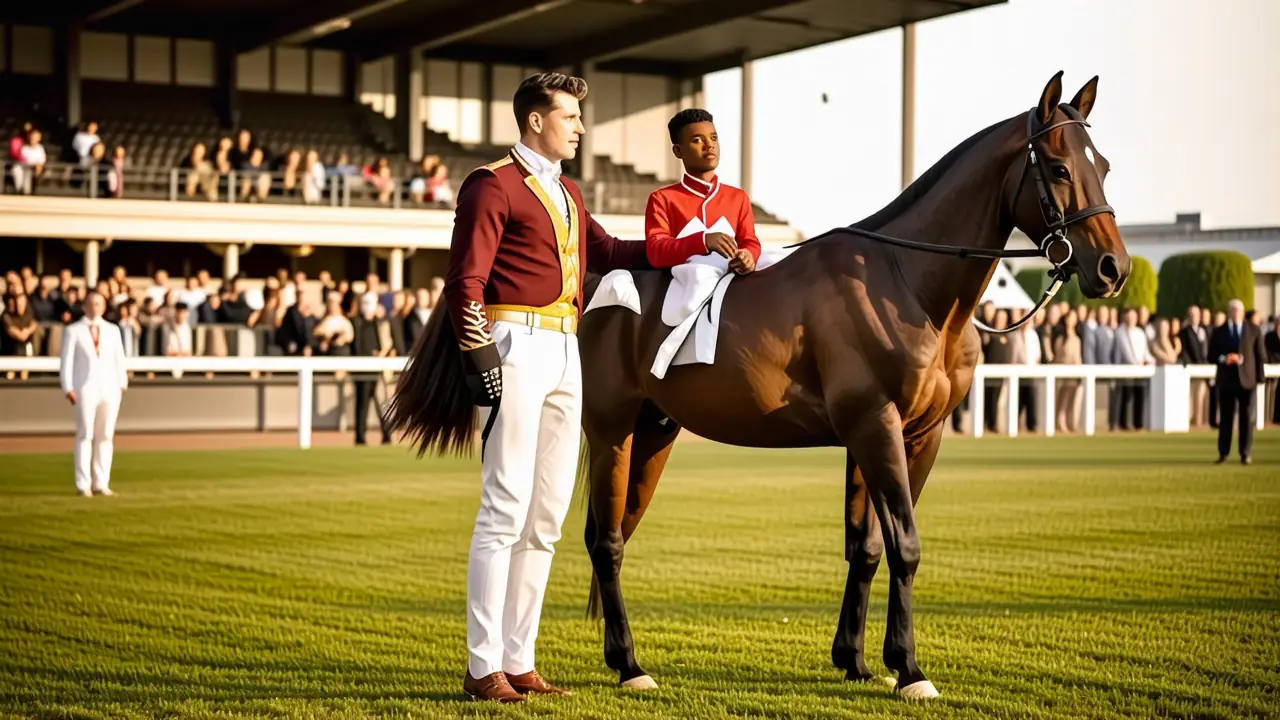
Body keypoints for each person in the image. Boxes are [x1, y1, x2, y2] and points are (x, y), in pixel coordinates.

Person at [445, 72, 651, 703]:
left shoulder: (567, 189)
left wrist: (698, 247)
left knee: (547, 517)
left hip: (567, 347)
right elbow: (464, 281)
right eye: (571, 116)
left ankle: (520, 658)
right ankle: (483, 668)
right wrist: (479, 353)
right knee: (504, 508)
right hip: (513, 343)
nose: (581, 126)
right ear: (536, 120)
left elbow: (610, 251)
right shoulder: (491, 184)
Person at [643, 108, 761, 273]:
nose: (709, 145)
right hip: (685, 282)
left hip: (732, 279)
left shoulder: (738, 197)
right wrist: (703, 241)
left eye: (714, 138)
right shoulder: (662, 198)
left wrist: (748, 256)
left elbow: (750, 242)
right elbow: (656, 252)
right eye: (697, 140)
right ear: (678, 151)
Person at [59, 291, 128, 497]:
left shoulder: (112, 330)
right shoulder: (73, 330)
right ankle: (83, 484)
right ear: (84, 306)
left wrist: (121, 383)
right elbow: (67, 361)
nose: (95, 307)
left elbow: (119, 358)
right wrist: (68, 387)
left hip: (109, 388)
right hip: (85, 387)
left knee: (106, 434)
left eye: (99, 303)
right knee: (85, 434)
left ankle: (101, 482)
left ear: (104, 306)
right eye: (91, 303)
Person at [1208, 299, 1266, 464]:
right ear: (1228, 312)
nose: (1235, 313)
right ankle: (1223, 453)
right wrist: (1224, 358)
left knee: (1246, 418)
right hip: (1226, 380)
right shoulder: (1220, 331)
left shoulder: (1253, 330)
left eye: (1237, 311)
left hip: (1247, 380)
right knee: (1226, 418)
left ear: (1242, 312)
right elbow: (1211, 355)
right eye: (1232, 310)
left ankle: (1245, 453)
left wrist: (1260, 378)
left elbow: (1260, 356)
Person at [352, 294, 393, 445]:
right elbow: (357, 346)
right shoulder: (357, 323)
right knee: (362, 406)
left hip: (379, 370)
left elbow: (388, 341)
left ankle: (387, 435)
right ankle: (360, 437)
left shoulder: (379, 323)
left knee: (383, 405)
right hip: (363, 371)